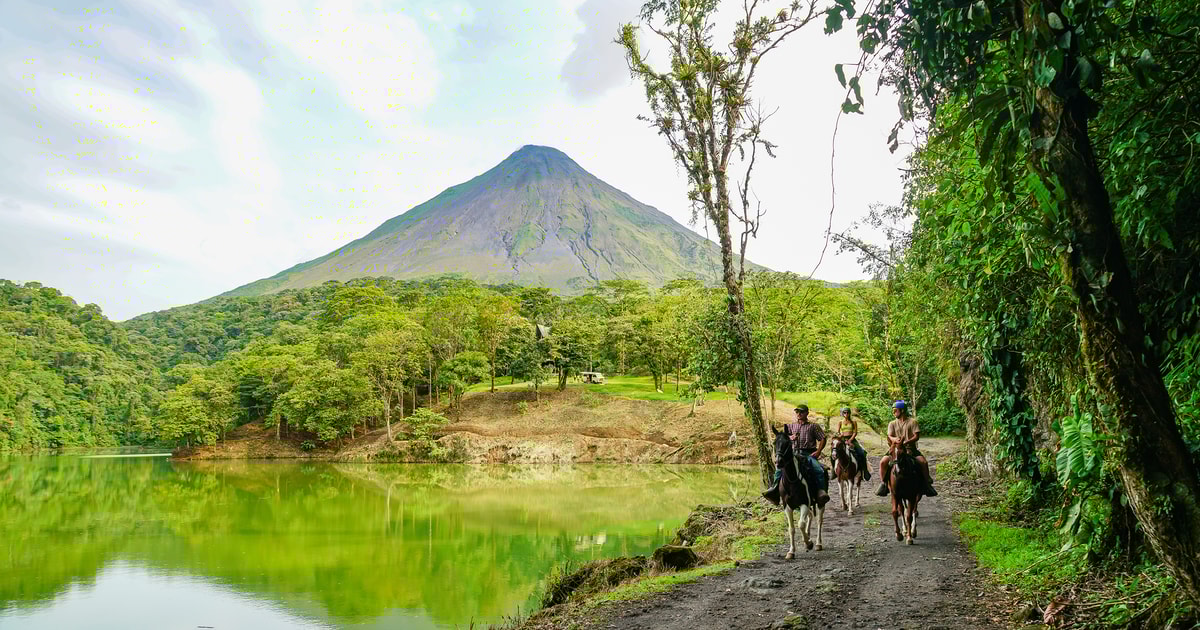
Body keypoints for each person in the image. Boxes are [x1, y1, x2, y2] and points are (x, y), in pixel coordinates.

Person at [762, 405, 831, 507]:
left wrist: (818, 451)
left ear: (807, 413)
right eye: (797, 412)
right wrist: (790, 437)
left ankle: (821, 491)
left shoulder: (813, 426)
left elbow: (822, 439)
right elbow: (782, 437)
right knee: (779, 470)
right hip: (794, 453)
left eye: (801, 412)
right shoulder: (790, 426)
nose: (799, 414)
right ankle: (774, 489)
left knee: (819, 470)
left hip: (808, 453)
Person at [875, 400, 938, 497]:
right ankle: (883, 483)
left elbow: (916, 436)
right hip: (895, 448)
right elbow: (889, 435)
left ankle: (927, 483)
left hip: (910, 448)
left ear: (902, 411)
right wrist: (895, 439)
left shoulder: (913, 422)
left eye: (895, 410)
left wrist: (906, 442)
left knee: (923, 462)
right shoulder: (892, 423)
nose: (894, 412)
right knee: (883, 462)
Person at [834, 406, 871, 480]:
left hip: (852, 439)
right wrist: (840, 436)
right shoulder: (840, 422)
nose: (846, 414)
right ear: (842, 413)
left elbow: (855, 432)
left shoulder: (853, 422)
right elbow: (838, 432)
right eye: (844, 412)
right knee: (834, 452)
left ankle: (865, 471)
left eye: (847, 412)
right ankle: (833, 471)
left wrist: (850, 440)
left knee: (861, 453)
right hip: (843, 439)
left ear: (849, 413)